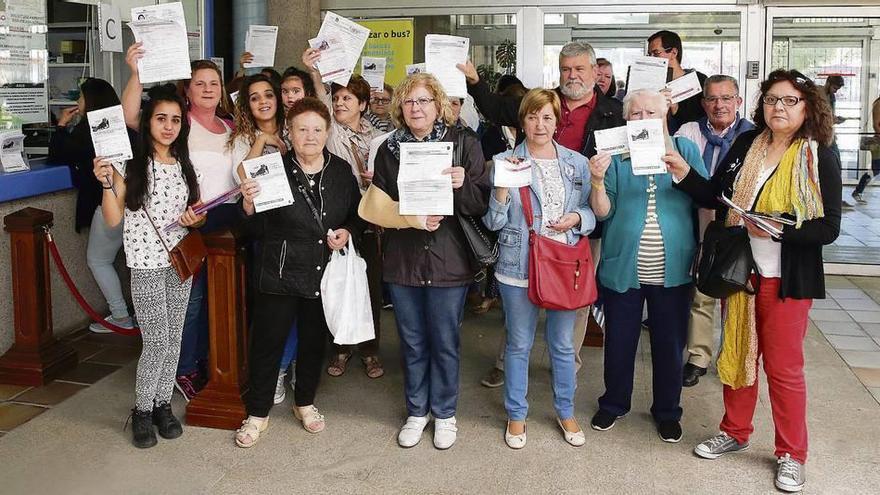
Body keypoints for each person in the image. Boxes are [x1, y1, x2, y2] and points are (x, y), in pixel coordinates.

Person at [671, 69, 841, 494]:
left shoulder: (818, 152)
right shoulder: (749, 143)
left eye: (788, 101)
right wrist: (680, 170)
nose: (777, 108)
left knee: (784, 370)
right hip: (742, 275)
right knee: (738, 356)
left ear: (807, 106)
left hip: (787, 279)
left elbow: (829, 228)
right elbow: (714, 194)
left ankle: (791, 454)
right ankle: (735, 430)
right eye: (770, 100)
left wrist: (778, 230)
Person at [460, 41, 624, 373]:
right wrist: (476, 83)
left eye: (579, 69)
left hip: (580, 216)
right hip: (527, 217)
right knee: (520, 294)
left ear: (595, 72)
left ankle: (567, 364)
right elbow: (497, 108)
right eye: (566, 69)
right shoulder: (541, 102)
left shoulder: (614, 113)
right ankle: (508, 361)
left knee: (575, 299)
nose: (572, 75)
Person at [359, 73, 490, 450]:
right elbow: (376, 205)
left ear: (438, 106)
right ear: (401, 107)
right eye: (409, 101)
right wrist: (408, 214)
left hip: (449, 258)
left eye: (424, 101)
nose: (416, 108)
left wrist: (463, 182)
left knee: (445, 340)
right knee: (413, 341)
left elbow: (479, 203)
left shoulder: (463, 142)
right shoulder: (389, 149)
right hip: (404, 259)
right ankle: (417, 411)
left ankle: (445, 413)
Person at [234, 97, 365, 447]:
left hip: (323, 272)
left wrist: (348, 231)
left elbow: (356, 214)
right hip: (279, 269)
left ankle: (304, 402)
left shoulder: (340, 171)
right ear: (289, 132)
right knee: (267, 343)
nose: (310, 136)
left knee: (312, 342)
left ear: (327, 132)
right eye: (302, 128)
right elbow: (250, 225)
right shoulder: (271, 168)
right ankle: (257, 413)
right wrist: (248, 202)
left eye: (318, 129)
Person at [588, 88, 707, 443]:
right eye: (635, 114)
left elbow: (705, 198)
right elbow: (602, 212)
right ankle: (614, 403)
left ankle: (667, 411)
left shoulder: (684, 149)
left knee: (670, 345)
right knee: (619, 341)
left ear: (666, 114)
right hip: (623, 265)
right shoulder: (616, 155)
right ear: (626, 119)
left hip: (674, 267)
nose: (642, 119)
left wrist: (683, 172)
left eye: (650, 113)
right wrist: (597, 179)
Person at [122, 46, 239, 401]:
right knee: (192, 302)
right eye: (199, 83)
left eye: (214, 83)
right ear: (186, 89)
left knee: (216, 301)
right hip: (181, 227)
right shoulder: (177, 121)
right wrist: (136, 72)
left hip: (224, 218)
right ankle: (182, 369)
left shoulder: (230, 125)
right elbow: (130, 118)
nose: (207, 88)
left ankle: (202, 360)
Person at [93, 86, 205, 448]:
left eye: (175, 120)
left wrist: (195, 219)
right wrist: (107, 183)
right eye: (161, 119)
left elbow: (195, 215)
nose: (169, 126)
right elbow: (112, 219)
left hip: (178, 262)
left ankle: (162, 405)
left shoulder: (186, 166)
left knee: (173, 340)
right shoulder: (132, 165)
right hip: (145, 264)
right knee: (156, 340)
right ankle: (141, 411)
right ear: (147, 122)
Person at [483, 89, 596, 449]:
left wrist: (578, 217)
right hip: (518, 265)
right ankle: (517, 415)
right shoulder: (505, 160)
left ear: (557, 120)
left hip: (563, 264)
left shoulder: (576, 163)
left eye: (547, 117)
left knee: (562, 345)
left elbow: (592, 213)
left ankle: (565, 410)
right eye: (532, 117)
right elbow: (493, 223)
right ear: (522, 120)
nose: (539, 124)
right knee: (518, 344)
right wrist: (501, 190)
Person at [302, 48, 386, 379]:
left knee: (370, 286)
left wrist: (377, 178)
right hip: (336, 216)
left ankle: (370, 350)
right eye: (337, 98)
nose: (339, 104)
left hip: (371, 217)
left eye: (348, 98)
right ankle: (340, 349)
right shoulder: (331, 131)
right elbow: (320, 100)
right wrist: (314, 72)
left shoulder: (379, 138)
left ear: (363, 104)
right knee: (337, 284)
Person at [674, 75, 755, 387]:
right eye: (712, 98)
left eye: (726, 98)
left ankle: (735, 355)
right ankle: (698, 356)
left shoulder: (753, 136)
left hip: (737, 225)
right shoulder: (688, 132)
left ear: (738, 101)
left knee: (737, 292)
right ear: (703, 102)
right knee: (702, 290)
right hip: (697, 218)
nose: (719, 105)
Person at [49, 78, 136, 334]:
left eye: (81, 98)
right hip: (137, 207)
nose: (78, 103)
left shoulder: (88, 132)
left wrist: (61, 125)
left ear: (91, 101)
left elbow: (59, 154)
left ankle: (120, 315)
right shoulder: (126, 128)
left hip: (109, 204)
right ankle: (143, 314)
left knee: (98, 260)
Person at [647, 30, 708, 133]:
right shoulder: (650, 84)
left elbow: (705, 118)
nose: (652, 59)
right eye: (649, 55)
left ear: (674, 52)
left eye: (656, 53)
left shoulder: (699, 81)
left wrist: (675, 109)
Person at [852, 97, 880, 203]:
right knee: (875, 169)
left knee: (876, 169)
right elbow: (876, 124)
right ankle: (858, 191)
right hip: (879, 142)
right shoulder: (878, 104)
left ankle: (858, 191)